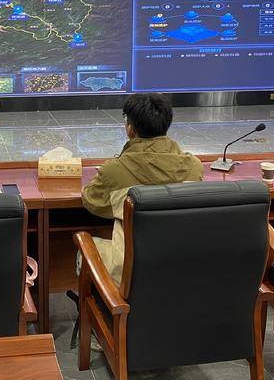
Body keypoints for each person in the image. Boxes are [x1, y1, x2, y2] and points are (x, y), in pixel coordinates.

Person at [80, 93, 204, 284]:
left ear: (130, 129)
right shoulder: (194, 167)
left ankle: (91, 303)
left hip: (131, 277)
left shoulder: (114, 170)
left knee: (84, 249)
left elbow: (92, 201)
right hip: (182, 268)